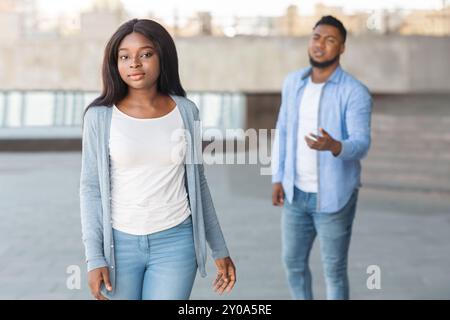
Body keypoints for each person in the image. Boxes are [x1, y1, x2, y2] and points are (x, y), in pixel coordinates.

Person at [79, 18, 236, 300]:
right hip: (118, 246)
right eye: (124, 56)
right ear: (115, 64)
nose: (135, 63)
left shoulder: (187, 112)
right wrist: (94, 257)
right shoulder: (99, 117)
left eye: (146, 54)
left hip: (176, 243)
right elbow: (90, 188)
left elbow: (197, 184)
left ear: (163, 55)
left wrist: (219, 249)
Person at [271, 16, 372, 300]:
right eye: (317, 37)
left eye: (330, 40)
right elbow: (283, 130)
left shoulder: (355, 92)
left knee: (334, 271)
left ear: (342, 48)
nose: (320, 45)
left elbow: (362, 144)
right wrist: (278, 177)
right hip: (295, 194)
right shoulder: (293, 82)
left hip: (334, 198)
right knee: (292, 264)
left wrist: (335, 145)